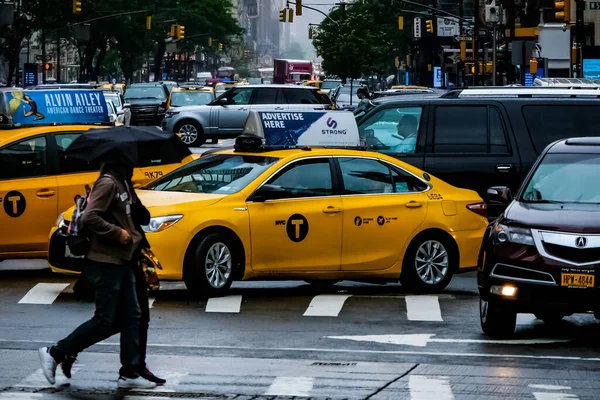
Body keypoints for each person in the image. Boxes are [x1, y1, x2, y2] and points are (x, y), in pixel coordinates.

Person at [38, 161, 157, 390]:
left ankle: (131, 371)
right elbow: (90, 217)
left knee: (133, 316)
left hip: (122, 261)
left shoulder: (123, 183)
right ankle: (56, 352)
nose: (135, 161)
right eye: (130, 157)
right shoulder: (108, 183)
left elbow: (138, 217)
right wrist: (119, 233)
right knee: (106, 320)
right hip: (105, 263)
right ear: (120, 157)